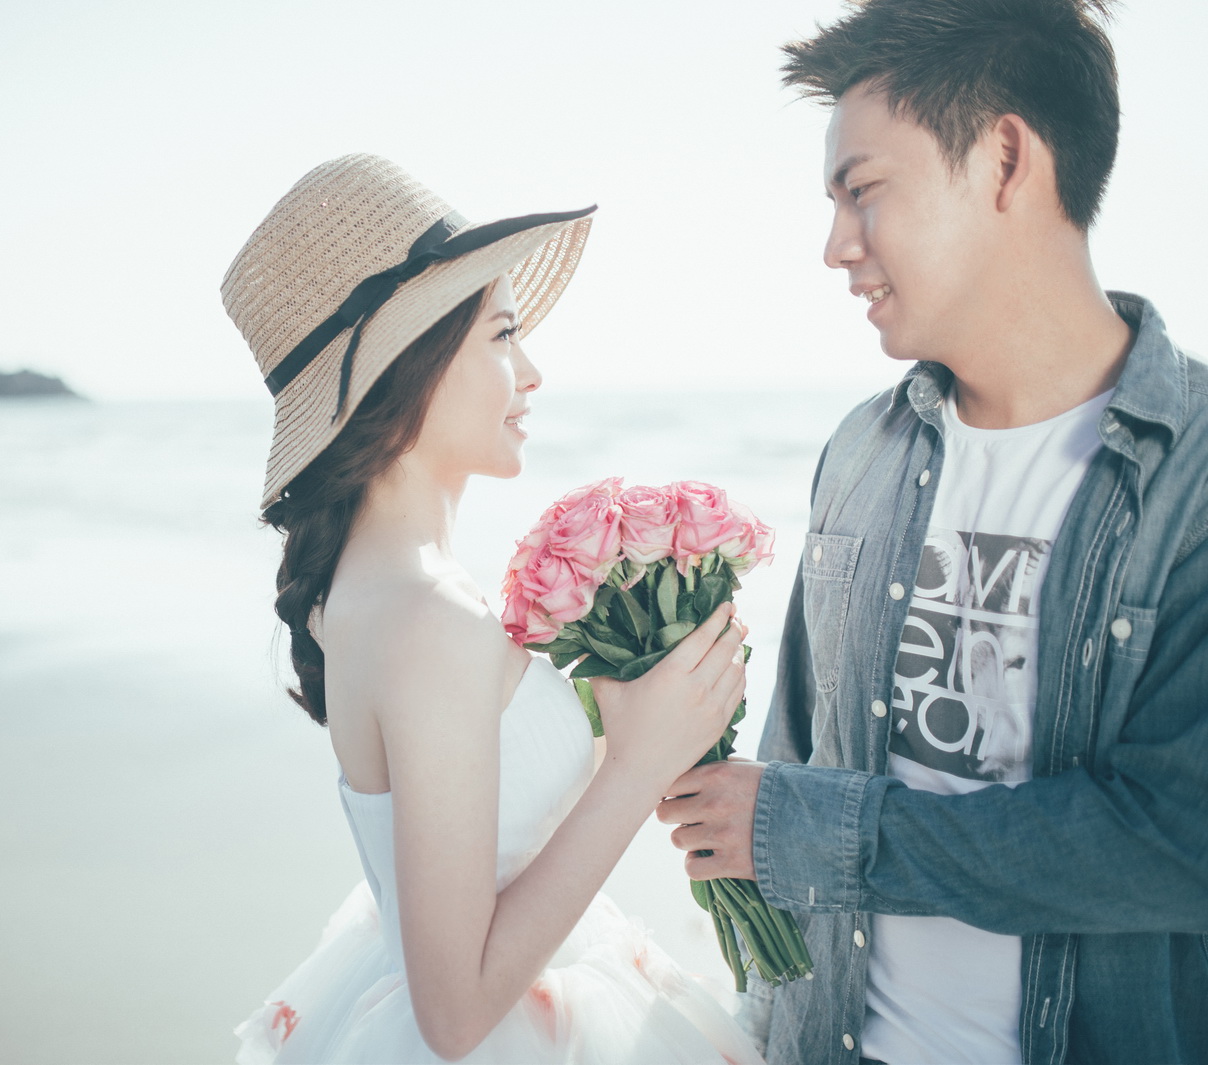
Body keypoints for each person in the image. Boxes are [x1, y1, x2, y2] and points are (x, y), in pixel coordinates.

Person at [656, 2, 1208, 1063]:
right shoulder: (862, 451)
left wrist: (820, 830)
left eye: (862, 190)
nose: (836, 247)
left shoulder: (1193, 472)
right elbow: (796, 758)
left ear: (1005, 159)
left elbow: (1177, 840)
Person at [223, 153, 765, 1064]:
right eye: (503, 335)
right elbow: (456, 1011)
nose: (533, 371)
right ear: (408, 364)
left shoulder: (385, 586)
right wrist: (638, 765)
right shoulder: (425, 615)